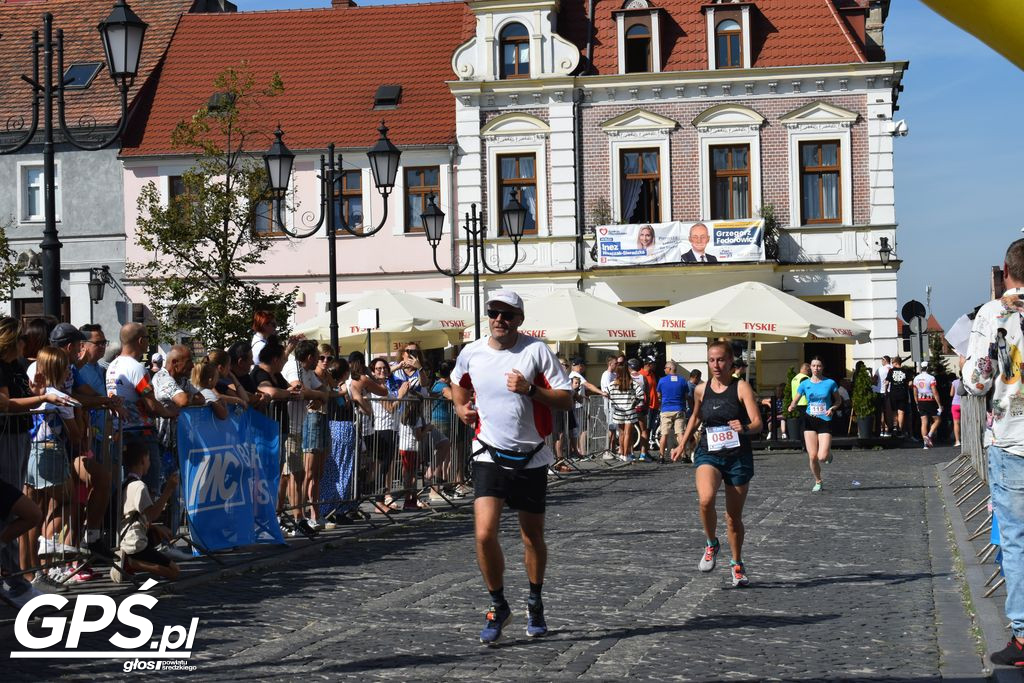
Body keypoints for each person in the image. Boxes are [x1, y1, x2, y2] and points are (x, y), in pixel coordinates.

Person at [450, 289, 571, 644]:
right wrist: (460, 409)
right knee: (484, 533)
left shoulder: (536, 351)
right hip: (488, 452)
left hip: (531, 456)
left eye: (507, 314)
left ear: (519, 319)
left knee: (531, 536)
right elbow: (457, 384)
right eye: (494, 313)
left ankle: (535, 600)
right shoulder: (471, 351)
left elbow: (565, 399)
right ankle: (498, 604)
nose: (499, 319)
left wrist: (531, 390)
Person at [961, 237, 1024, 667]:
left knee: (1017, 541)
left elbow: (976, 382)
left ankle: (1022, 636)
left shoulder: (994, 313)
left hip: (1012, 438)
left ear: (1006, 270)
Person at [671, 341, 761, 587]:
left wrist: (744, 428)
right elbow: (696, 416)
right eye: (712, 360)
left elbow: (757, 423)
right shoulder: (701, 389)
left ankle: (737, 564)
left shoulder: (741, 388)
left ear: (731, 361)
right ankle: (711, 543)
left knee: (733, 517)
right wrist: (682, 443)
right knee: (706, 499)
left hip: (737, 457)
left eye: (721, 360)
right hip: (708, 453)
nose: (716, 365)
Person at [111, 440, 180, 583]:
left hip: (129, 538)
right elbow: (152, 515)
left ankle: (129, 564)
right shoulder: (139, 486)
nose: (150, 462)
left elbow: (134, 516)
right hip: (135, 542)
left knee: (158, 536)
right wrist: (168, 490)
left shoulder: (126, 483)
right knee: (174, 572)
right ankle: (130, 563)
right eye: (149, 459)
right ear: (143, 460)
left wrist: (156, 528)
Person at [788, 358, 841, 492]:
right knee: (812, 456)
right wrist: (792, 406)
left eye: (819, 366)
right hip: (809, 420)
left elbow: (838, 400)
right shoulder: (804, 384)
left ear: (822, 368)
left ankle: (828, 454)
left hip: (825, 420)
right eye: (814, 366)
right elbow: (796, 399)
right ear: (810, 368)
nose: (816, 368)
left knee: (821, 457)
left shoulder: (830, 383)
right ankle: (818, 481)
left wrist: (833, 408)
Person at [607, 362, 644, 463]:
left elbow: (609, 396)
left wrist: (615, 404)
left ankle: (622, 452)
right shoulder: (632, 383)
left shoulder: (612, 384)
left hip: (618, 411)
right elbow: (641, 395)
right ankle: (626, 454)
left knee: (622, 433)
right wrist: (634, 404)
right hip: (630, 411)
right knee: (628, 433)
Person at [657, 361, 689, 463]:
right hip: (679, 409)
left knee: (664, 434)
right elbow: (686, 395)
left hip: (666, 409)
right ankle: (684, 455)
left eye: (665, 368)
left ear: (670, 369)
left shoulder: (662, 380)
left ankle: (661, 457)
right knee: (680, 433)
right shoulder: (682, 380)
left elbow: (658, 395)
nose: (664, 369)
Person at [913, 364, 942, 449]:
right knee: (937, 420)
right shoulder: (931, 378)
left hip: (920, 401)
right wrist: (939, 405)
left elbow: (915, 392)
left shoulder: (916, 378)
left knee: (924, 422)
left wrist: (917, 403)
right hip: (930, 401)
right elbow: (935, 392)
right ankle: (929, 435)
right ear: (928, 368)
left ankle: (925, 444)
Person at [886, 356, 913, 436]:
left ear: (896, 363)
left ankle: (895, 427)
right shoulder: (906, 371)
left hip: (893, 394)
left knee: (894, 412)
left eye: (893, 363)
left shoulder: (891, 371)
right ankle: (900, 429)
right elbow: (910, 383)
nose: (892, 364)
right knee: (901, 412)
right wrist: (906, 386)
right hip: (903, 393)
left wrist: (885, 391)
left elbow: (887, 382)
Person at [599, 356, 619, 458]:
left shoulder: (615, 374)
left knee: (614, 428)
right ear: (610, 364)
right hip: (609, 405)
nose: (617, 365)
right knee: (611, 428)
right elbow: (608, 390)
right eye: (615, 363)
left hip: (615, 405)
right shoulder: (606, 375)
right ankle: (606, 451)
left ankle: (613, 449)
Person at [873, 355, 893, 436]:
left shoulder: (879, 369)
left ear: (885, 361)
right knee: (889, 412)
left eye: (882, 360)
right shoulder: (892, 368)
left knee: (879, 412)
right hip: (890, 392)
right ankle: (889, 430)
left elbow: (874, 379)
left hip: (879, 392)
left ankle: (880, 430)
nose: (881, 362)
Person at [950, 376, 964, 448]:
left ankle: (957, 441)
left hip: (955, 404)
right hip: (965, 404)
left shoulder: (954, 382)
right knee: (965, 422)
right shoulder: (967, 381)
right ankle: (965, 439)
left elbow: (951, 394)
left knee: (956, 423)